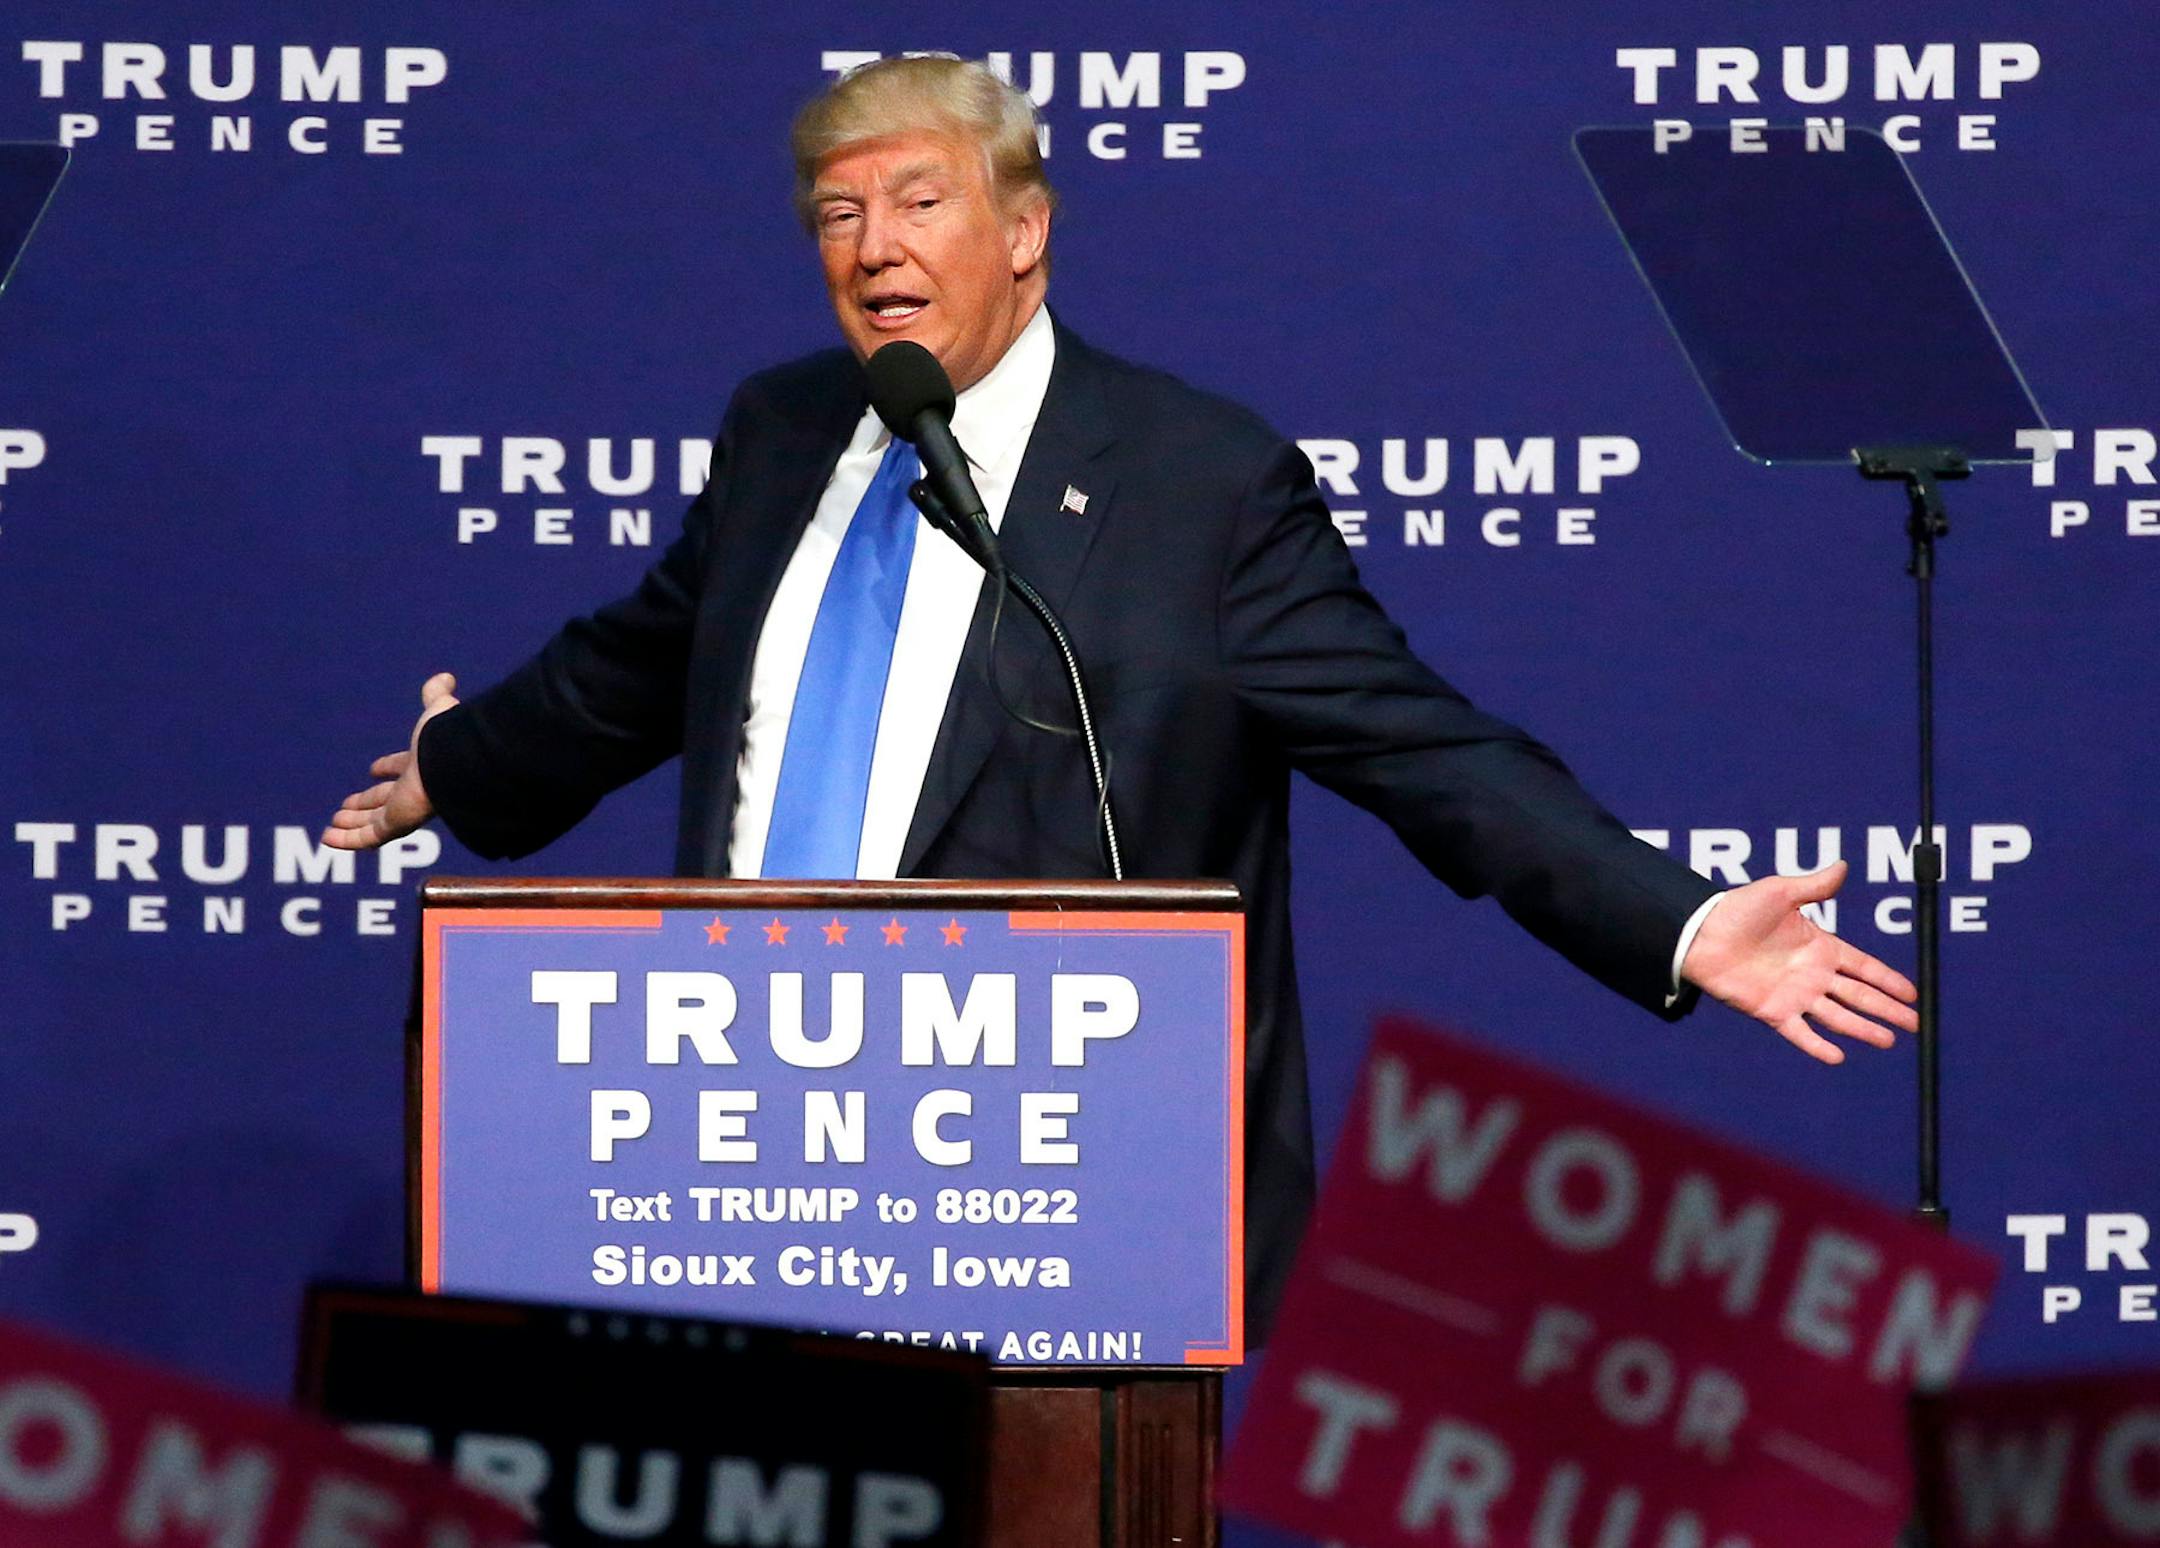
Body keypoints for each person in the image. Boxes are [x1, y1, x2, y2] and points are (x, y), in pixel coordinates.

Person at [325, 55, 1917, 1337]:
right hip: (744, 1154)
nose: (873, 248)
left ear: (1023, 230)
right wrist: (463, 766)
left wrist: (1678, 921)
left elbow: (1422, 745)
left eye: (919, 201)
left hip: (1040, 1185)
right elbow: (653, 654)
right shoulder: (785, 427)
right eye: (837, 214)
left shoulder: (1194, 483)